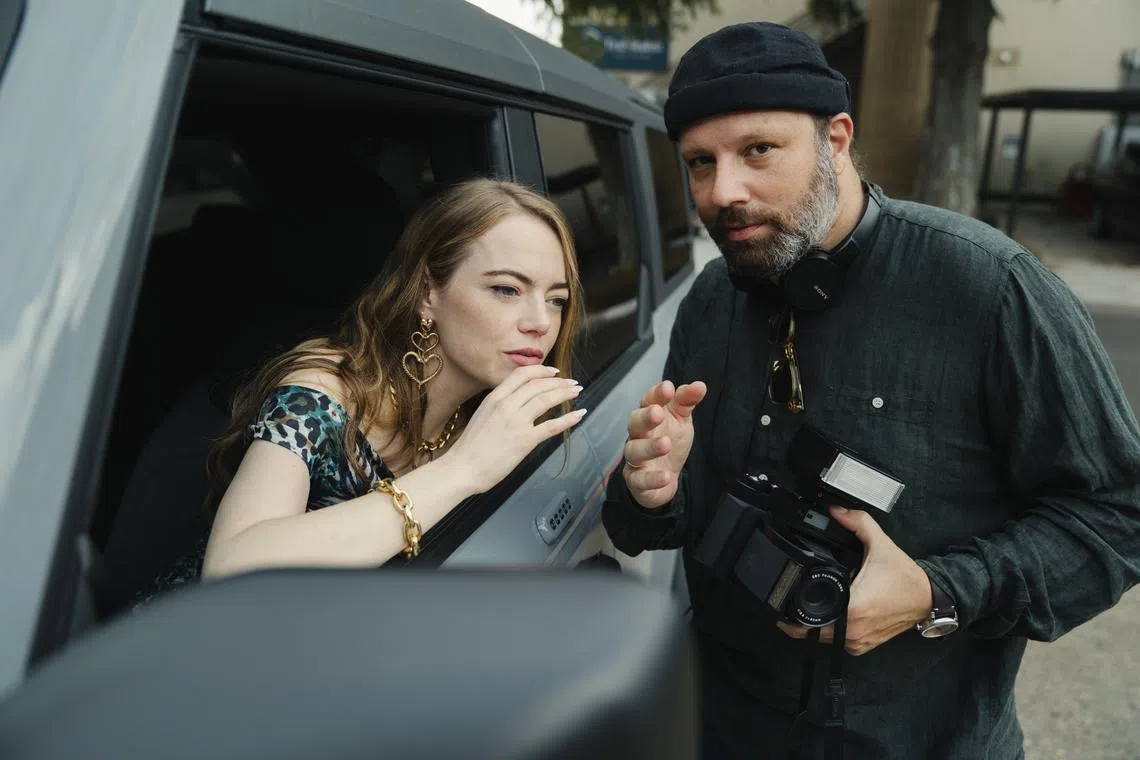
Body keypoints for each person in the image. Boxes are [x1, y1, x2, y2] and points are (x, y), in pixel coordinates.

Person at [603, 21, 1140, 760]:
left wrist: (938, 591)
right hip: (723, 728)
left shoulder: (990, 287)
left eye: (758, 150)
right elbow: (670, 522)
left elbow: (1118, 514)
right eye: (700, 162)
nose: (724, 191)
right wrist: (651, 490)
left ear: (838, 139)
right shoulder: (711, 299)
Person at [158, 178, 587, 581]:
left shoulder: (489, 417)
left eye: (556, 300)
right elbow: (232, 567)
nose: (541, 323)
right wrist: (463, 469)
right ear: (426, 294)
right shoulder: (322, 394)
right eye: (507, 290)